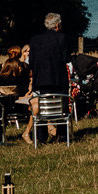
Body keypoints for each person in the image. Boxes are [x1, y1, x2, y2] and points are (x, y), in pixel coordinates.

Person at [26, 12, 71, 144]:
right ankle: (62, 136)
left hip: (40, 78)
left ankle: (41, 137)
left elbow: (31, 61)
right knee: (62, 106)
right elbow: (66, 58)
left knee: (41, 106)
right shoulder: (62, 38)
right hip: (58, 78)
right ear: (57, 25)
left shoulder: (35, 39)